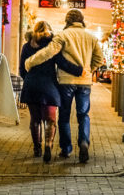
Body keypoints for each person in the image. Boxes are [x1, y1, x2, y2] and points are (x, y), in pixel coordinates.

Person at [25, 9, 104, 163]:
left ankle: (66, 149)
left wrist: (30, 61)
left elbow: (48, 52)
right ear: (82, 20)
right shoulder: (91, 38)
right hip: (84, 82)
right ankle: (83, 142)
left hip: (66, 82)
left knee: (65, 117)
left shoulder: (62, 35)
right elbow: (99, 59)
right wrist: (88, 71)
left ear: (67, 21)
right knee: (83, 115)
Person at [19, 21, 83, 163]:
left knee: (35, 120)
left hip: (32, 86)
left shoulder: (26, 46)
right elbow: (62, 63)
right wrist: (78, 70)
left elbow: (22, 70)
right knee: (50, 120)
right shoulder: (51, 46)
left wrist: (29, 79)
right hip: (49, 88)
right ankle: (48, 144)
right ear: (49, 31)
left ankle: (37, 148)